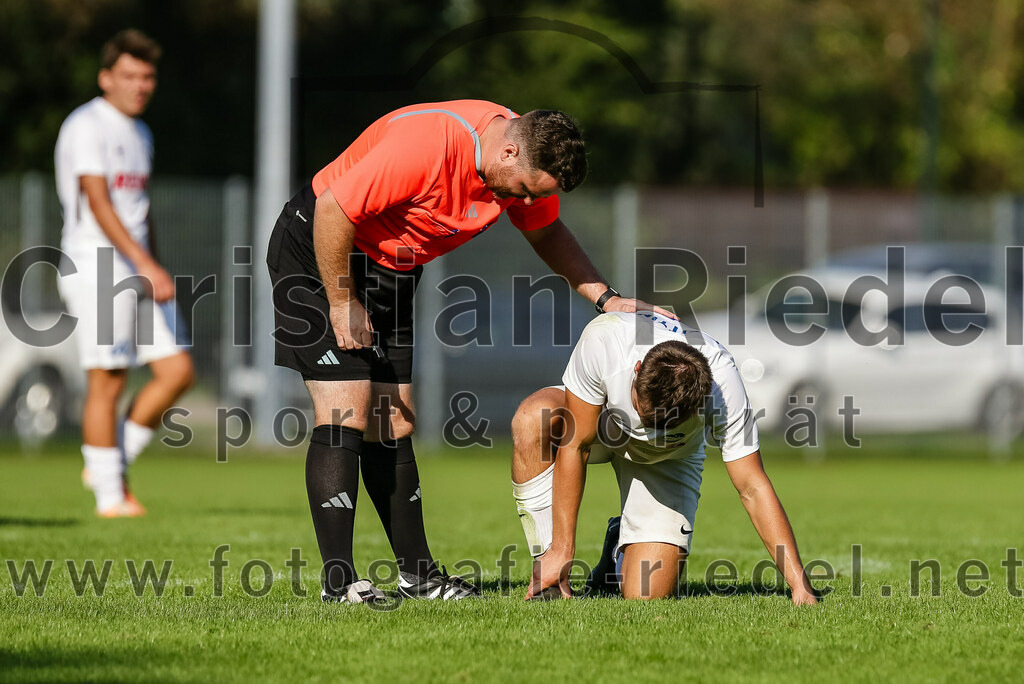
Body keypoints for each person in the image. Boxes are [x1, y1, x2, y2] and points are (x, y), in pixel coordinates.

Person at [268, 100, 672, 603]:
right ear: (508, 151)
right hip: (322, 252)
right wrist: (342, 299)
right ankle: (339, 585)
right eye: (523, 189)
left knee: (393, 422)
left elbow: (546, 232)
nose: (523, 201)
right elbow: (333, 208)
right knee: (347, 407)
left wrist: (606, 298)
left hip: (390, 271)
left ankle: (418, 577)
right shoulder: (427, 144)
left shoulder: (519, 161)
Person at [513, 310, 818, 604]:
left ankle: (617, 550)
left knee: (647, 593)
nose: (646, 429)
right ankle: (549, 576)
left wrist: (798, 584)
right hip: (605, 426)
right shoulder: (605, 339)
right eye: (642, 413)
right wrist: (562, 548)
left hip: (668, 458)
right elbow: (576, 445)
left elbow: (752, 485)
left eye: (659, 424)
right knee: (533, 418)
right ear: (636, 370)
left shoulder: (723, 385)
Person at [54, 30, 194, 518]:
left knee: (178, 371)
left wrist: (152, 261)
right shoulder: (87, 125)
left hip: (136, 267)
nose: (140, 85)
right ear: (105, 78)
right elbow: (99, 200)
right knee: (108, 380)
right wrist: (145, 262)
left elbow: (140, 207)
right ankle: (111, 497)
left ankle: (107, 460)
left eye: (148, 76)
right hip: (96, 264)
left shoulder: (141, 132)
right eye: (130, 75)